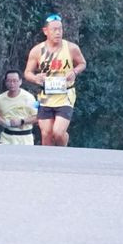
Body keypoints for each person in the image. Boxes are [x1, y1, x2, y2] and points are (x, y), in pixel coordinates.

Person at [24, 13, 87, 147]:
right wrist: (36, 78)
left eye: (60, 29)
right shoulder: (37, 51)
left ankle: (63, 147)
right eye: (54, 29)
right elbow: (27, 73)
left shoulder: (71, 48)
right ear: (45, 31)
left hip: (65, 94)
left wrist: (74, 72)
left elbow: (82, 63)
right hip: (46, 96)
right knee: (46, 134)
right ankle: (48, 164)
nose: (58, 32)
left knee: (57, 132)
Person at [0, 70, 37, 145]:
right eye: (9, 81)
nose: (12, 84)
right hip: (6, 138)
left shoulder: (29, 97)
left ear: (20, 82)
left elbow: (37, 117)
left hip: (25, 139)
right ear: (5, 82)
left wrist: (22, 121)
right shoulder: (0, 99)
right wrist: (3, 122)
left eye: (15, 81)